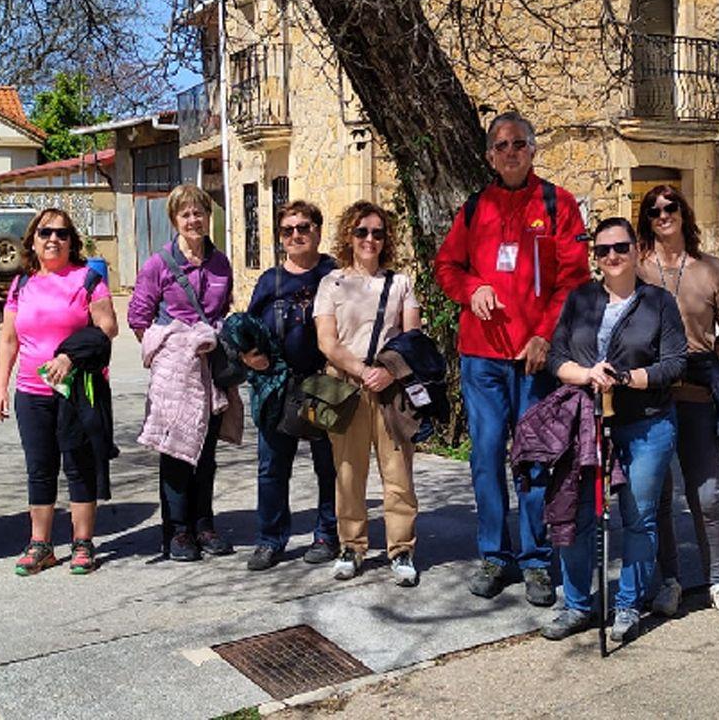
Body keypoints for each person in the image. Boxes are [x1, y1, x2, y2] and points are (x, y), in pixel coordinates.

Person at [433, 111, 590, 606]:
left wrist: (545, 335)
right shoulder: (475, 207)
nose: (510, 153)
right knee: (484, 458)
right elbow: (446, 266)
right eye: (500, 146)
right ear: (489, 156)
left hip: (534, 359)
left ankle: (538, 561)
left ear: (533, 149)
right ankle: (494, 555)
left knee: (535, 461)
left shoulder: (557, 204)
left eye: (518, 144)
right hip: (481, 359)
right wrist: (472, 286)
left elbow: (573, 281)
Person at [542, 217, 687, 643]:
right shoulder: (581, 299)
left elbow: (675, 363)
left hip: (647, 423)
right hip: (587, 425)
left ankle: (627, 605)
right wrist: (588, 374)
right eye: (602, 250)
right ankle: (576, 605)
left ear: (636, 249)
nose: (611, 257)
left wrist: (626, 378)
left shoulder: (659, 302)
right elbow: (556, 358)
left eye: (620, 247)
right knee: (579, 513)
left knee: (638, 517)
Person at [636, 185, 719, 620]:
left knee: (706, 496)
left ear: (684, 213)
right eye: (654, 210)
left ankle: (718, 581)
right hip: (653, 398)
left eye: (671, 207)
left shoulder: (709, 269)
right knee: (659, 496)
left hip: (698, 396)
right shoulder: (640, 268)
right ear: (647, 219)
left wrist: (704, 356)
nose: (664, 215)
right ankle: (670, 581)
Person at [0, 209, 119, 576]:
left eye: (61, 234)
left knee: (79, 467)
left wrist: (69, 355)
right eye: (45, 232)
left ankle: (82, 544)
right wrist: (1, 386)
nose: (53, 239)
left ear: (71, 241)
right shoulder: (21, 284)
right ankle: (41, 545)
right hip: (31, 392)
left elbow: (107, 328)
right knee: (40, 469)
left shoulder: (87, 279)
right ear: (32, 240)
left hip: (76, 391)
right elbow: (8, 340)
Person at [314, 201, 422, 586]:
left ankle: (402, 548)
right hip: (345, 386)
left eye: (377, 232)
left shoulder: (400, 283)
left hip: (390, 388)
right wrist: (362, 371)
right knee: (347, 471)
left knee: (398, 472)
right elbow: (327, 341)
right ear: (349, 235)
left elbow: (410, 339)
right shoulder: (332, 283)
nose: (369, 239)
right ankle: (352, 545)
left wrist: (388, 373)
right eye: (362, 232)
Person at [128, 183, 237, 562]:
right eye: (185, 214)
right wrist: (167, 351)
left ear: (208, 216)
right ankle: (177, 532)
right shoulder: (158, 264)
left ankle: (204, 525)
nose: (194, 220)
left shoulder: (221, 262)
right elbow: (138, 317)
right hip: (175, 373)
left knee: (205, 451)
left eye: (199, 212)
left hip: (209, 370)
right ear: (174, 219)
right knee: (175, 451)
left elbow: (225, 308)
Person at [240, 200, 339, 571]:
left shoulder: (334, 274)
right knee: (272, 467)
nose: (296, 235)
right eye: (288, 230)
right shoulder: (270, 281)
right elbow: (246, 330)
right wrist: (249, 356)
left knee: (328, 466)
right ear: (280, 237)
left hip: (324, 382)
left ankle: (328, 533)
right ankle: (270, 540)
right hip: (278, 386)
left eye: (304, 227)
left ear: (317, 230)